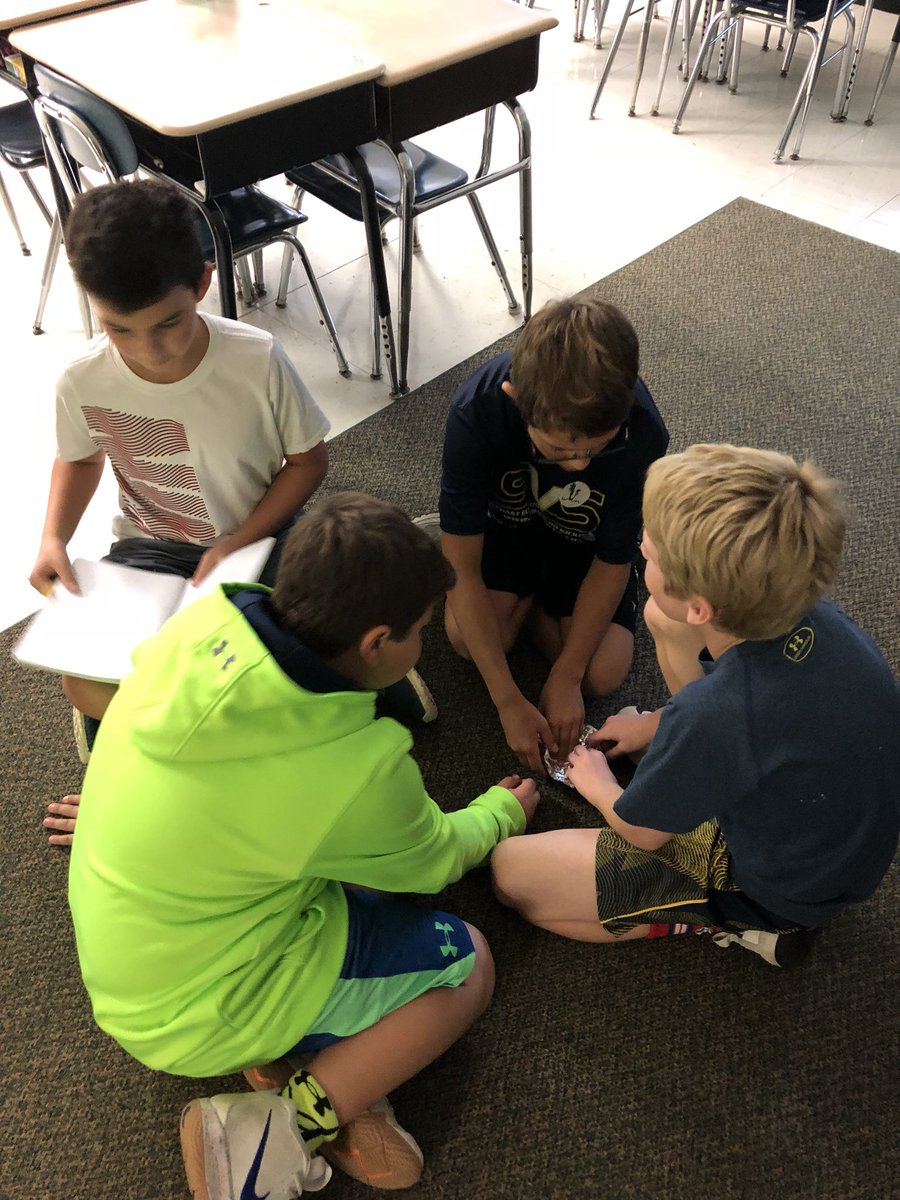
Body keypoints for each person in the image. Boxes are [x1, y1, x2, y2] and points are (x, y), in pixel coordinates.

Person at [66, 492, 540, 1197]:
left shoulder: (208, 617)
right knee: (466, 964)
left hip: (129, 951)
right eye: (418, 632)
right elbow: (434, 860)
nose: (422, 646)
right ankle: (278, 1129)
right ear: (379, 642)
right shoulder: (356, 767)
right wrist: (500, 811)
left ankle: (294, 1042)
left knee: (340, 870)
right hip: (199, 1007)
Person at [491, 444, 899, 967]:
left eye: (651, 549)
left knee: (510, 874)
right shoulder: (820, 620)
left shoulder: (719, 711)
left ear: (703, 604)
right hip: (836, 846)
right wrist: (658, 727)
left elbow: (644, 830)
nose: (640, 544)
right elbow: (770, 721)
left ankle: (729, 922)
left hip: (777, 885)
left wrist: (598, 783)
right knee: (664, 620)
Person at [30, 178, 332, 842]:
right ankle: (179, 773)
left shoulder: (254, 360)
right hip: (150, 549)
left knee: (277, 672)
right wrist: (53, 537)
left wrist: (241, 539)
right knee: (85, 685)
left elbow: (307, 463)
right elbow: (79, 460)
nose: (147, 348)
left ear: (201, 283)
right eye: (118, 328)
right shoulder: (81, 379)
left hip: (256, 544)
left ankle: (156, 769)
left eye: (166, 322)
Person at [427, 297, 668, 774]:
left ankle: (533, 606)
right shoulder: (475, 413)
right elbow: (462, 567)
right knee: (462, 637)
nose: (577, 465)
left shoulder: (643, 433)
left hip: (583, 542)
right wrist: (507, 700)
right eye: (557, 449)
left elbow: (613, 561)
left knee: (603, 674)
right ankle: (536, 607)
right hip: (506, 526)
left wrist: (568, 674)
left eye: (596, 450)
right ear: (516, 398)